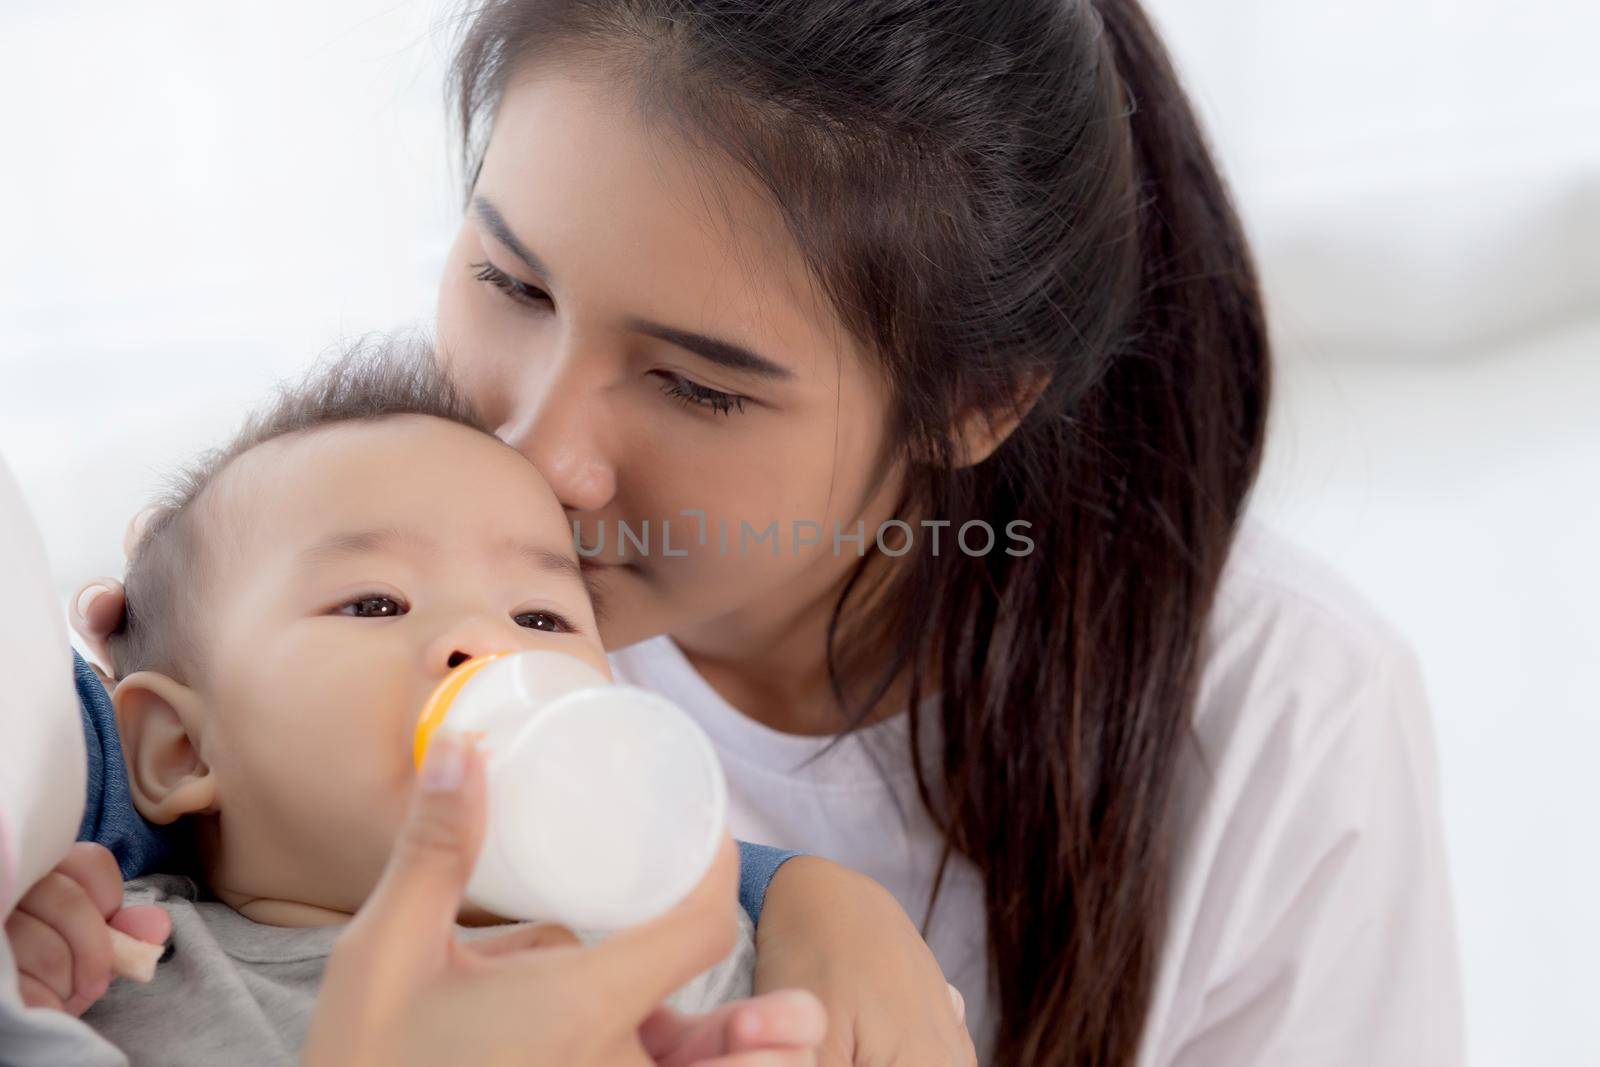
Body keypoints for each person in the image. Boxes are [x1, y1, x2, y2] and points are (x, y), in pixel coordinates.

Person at [61, 0, 1463, 1063]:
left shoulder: (1282, 722)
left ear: (974, 404)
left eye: (695, 383)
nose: (538, 454)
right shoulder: (319, 557)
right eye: (507, 277)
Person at [6, 347, 852, 1065]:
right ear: (179, 749)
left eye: (540, 617)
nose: (490, 644)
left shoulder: (689, 941)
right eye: (376, 602)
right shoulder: (121, 966)